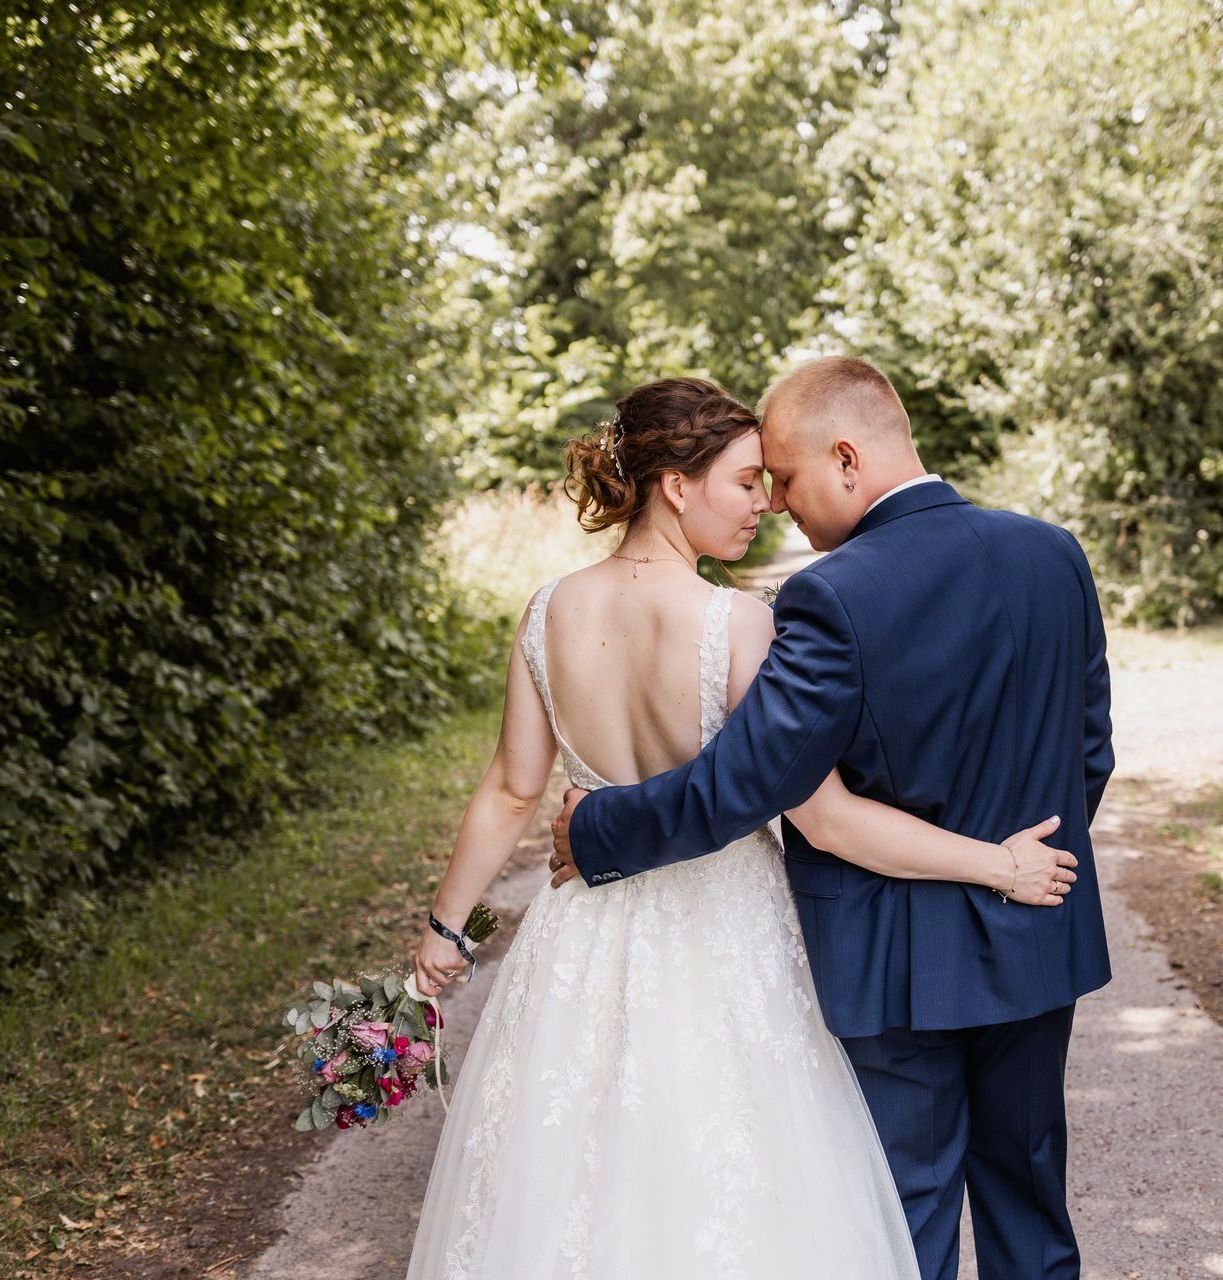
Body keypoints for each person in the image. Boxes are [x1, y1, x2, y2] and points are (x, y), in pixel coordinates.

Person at [404, 375, 1078, 1280]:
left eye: (774, 480)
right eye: (749, 481)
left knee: (579, 1173)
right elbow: (831, 812)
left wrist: (446, 930)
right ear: (676, 486)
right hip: (734, 934)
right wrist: (1003, 862)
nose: (768, 505)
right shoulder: (740, 620)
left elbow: (509, 789)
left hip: (584, 934)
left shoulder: (545, 612)